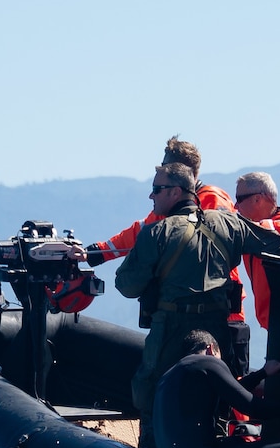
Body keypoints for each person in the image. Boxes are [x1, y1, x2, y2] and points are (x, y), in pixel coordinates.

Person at [104, 162, 280, 448]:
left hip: (170, 330)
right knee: (218, 395)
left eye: (156, 190)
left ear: (175, 192)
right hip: (217, 331)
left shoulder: (156, 233)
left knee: (150, 392)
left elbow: (126, 286)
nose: (152, 197)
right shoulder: (228, 223)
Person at [84, 137, 253, 371]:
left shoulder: (213, 199)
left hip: (221, 311)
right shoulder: (170, 211)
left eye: (166, 165)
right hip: (182, 313)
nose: (162, 170)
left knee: (229, 384)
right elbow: (141, 231)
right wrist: (94, 253)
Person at [153, 331, 280, 448]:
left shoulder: (168, 376)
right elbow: (251, 406)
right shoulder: (208, 362)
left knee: (237, 443)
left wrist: (262, 373)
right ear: (211, 349)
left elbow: (229, 395)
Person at [231, 171, 280, 331]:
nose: (235, 206)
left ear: (257, 199)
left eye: (239, 199)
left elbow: (264, 234)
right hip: (277, 322)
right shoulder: (250, 227)